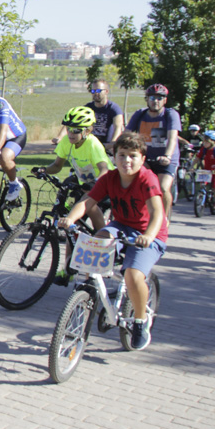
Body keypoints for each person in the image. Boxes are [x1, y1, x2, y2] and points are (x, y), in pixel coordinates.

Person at [58, 132, 168, 350]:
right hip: (121, 226)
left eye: (132, 156)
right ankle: (88, 291)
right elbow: (87, 201)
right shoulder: (109, 178)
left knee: (132, 275)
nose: (126, 160)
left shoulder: (147, 179)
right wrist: (70, 218)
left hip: (148, 232)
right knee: (97, 241)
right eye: (122, 155)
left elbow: (157, 213)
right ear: (114, 157)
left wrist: (148, 236)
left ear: (142, 159)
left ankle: (139, 321)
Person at [32, 106, 112, 284]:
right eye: (69, 129)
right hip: (85, 186)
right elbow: (57, 166)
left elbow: (104, 170)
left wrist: (94, 184)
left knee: (89, 207)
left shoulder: (93, 144)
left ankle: (104, 240)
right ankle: (68, 269)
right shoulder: (66, 142)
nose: (71, 133)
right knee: (71, 223)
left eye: (76, 130)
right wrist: (44, 170)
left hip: (105, 185)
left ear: (88, 130)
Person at [124, 83, 180, 220]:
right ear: (147, 99)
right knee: (134, 184)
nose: (156, 101)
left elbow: (172, 137)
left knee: (163, 188)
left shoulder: (170, 114)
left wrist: (167, 155)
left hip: (166, 159)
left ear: (165, 100)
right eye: (152, 97)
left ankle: (164, 220)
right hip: (146, 158)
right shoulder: (140, 114)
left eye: (160, 98)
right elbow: (126, 135)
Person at [50, 79, 123, 146]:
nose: (95, 94)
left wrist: (112, 143)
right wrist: (59, 137)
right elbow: (70, 122)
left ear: (106, 91)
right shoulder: (87, 108)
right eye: (93, 91)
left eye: (98, 91)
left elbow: (118, 127)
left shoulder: (113, 108)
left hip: (105, 145)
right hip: (88, 144)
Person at [195, 130, 215, 211]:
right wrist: (191, 166)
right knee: (202, 184)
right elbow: (197, 158)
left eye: (206, 142)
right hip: (207, 171)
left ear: (212, 142)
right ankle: (201, 196)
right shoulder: (203, 149)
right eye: (204, 141)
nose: (204, 143)